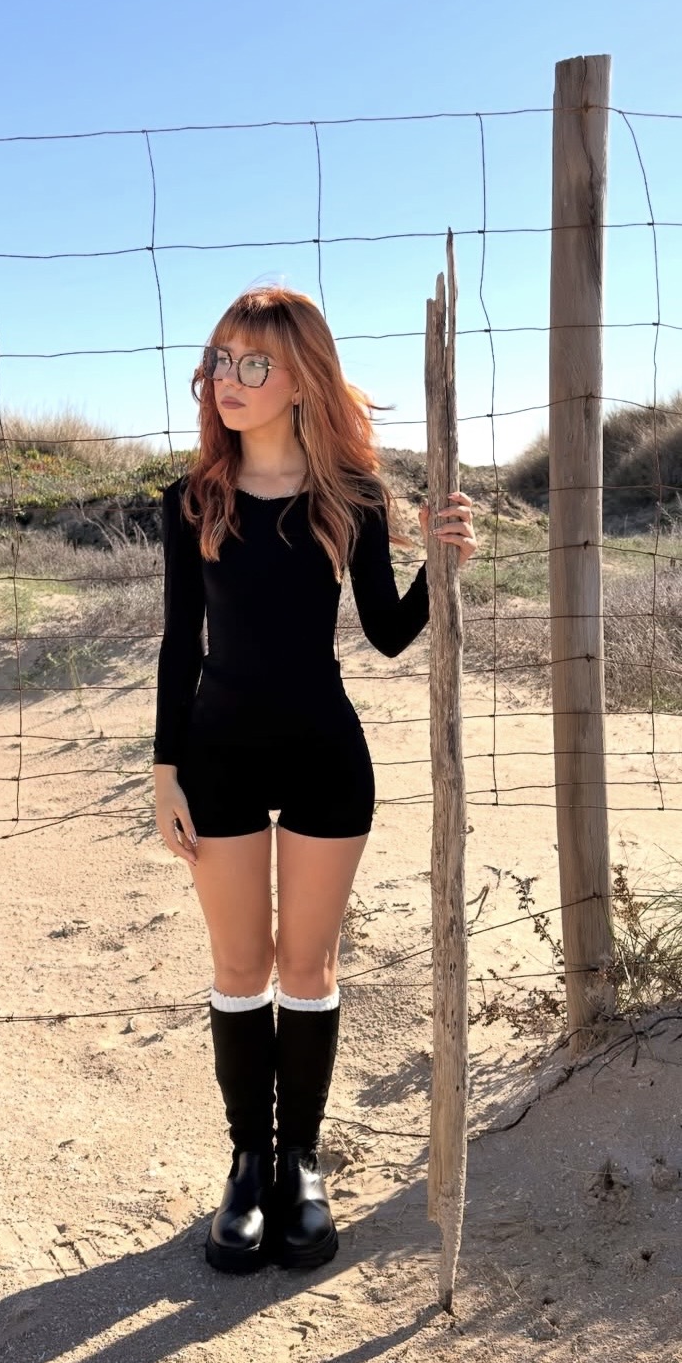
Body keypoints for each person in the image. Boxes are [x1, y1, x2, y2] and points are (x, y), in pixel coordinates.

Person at [152, 285, 478, 1274]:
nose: (229, 379)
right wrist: (165, 768)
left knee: (308, 966)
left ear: (301, 380)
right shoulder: (191, 500)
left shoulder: (352, 498)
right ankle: (246, 1163)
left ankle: (299, 1163)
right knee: (239, 966)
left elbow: (387, 633)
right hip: (216, 755)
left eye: (254, 363)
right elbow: (179, 645)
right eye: (220, 360)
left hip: (324, 754)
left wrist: (443, 566)